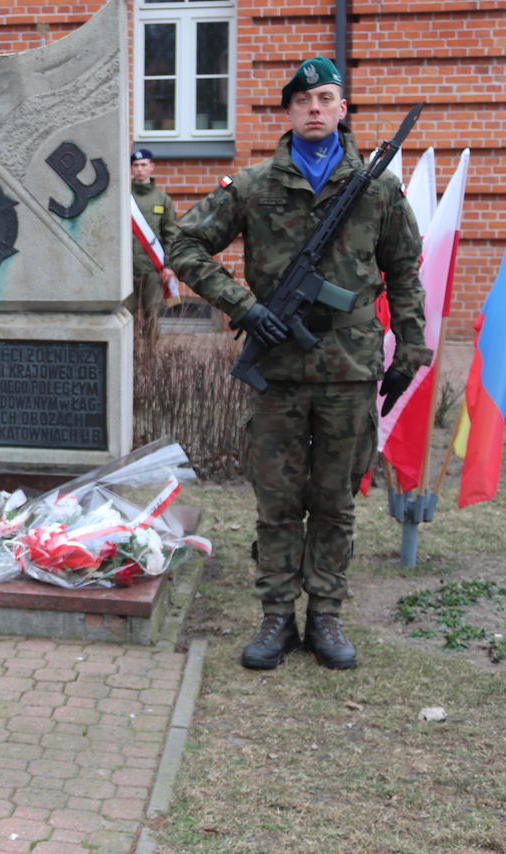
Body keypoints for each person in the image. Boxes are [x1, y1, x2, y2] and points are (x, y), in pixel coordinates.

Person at [168, 57, 430, 671]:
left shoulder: (378, 187)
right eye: (302, 99)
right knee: (278, 501)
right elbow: (183, 242)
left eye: (326, 98)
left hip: (350, 370)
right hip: (279, 373)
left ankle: (328, 615)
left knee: (335, 501)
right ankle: (278, 617)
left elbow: (405, 273)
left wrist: (411, 348)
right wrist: (246, 307)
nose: (314, 107)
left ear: (343, 110)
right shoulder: (256, 185)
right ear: (288, 112)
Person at [128, 147, 181, 338]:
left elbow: (171, 235)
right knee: (127, 316)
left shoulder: (162, 199)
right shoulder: (124, 197)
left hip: (153, 269)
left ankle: (150, 360)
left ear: (152, 167)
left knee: (152, 315)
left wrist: (169, 265)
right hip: (128, 268)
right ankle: (129, 361)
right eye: (135, 165)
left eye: (143, 165)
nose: (139, 169)